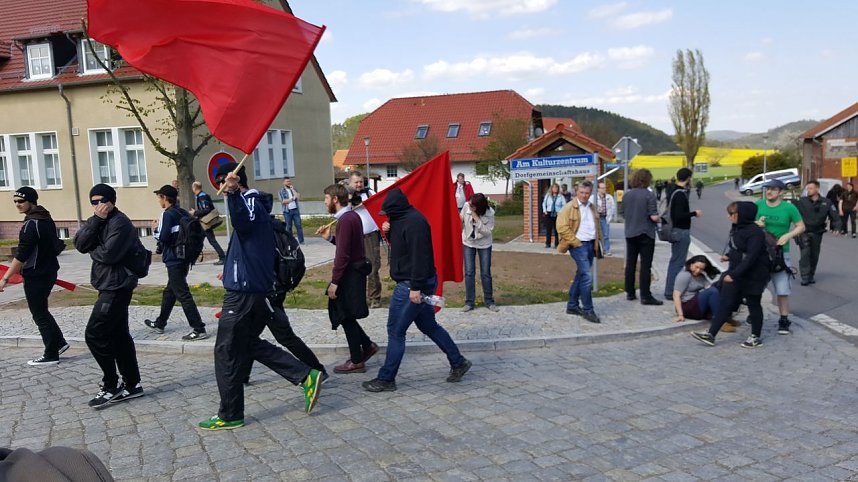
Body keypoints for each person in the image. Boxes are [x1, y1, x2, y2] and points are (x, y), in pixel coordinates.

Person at [199, 163, 321, 430]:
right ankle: (305, 375)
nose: (221, 183)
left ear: (236, 180)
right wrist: (232, 269)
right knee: (246, 343)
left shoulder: (249, 200)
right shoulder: (248, 203)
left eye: (225, 179)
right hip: (248, 287)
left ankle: (230, 414)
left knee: (225, 350)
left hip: (244, 293)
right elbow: (247, 244)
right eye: (219, 180)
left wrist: (233, 194)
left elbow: (243, 224)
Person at [362, 188, 471, 392]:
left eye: (388, 213)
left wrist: (416, 288)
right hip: (416, 282)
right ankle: (458, 362)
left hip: (411, 284)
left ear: (396, 209)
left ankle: (386, 379)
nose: (386, 217)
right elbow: (403, 248)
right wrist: (389, 231)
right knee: (429, 326)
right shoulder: (402, 220)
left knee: (396, 331)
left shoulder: (415, 223)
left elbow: (420, 258)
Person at [73, 184, 143, 408]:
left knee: (94, 334)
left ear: (112, 200)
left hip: (117, 285)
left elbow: (108, 254)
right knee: (119, 335)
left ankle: (111, 385)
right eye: (93, 202)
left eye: (102, 200)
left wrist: (94, 246)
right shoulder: (99, 220)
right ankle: (133, 385)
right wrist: (95, 221)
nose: (98, 205)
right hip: (107, 284)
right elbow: (79, 244)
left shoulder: (120, 222)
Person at [0, 187, 69, 366]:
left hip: (37, 274)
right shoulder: (44, 218)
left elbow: (21, 255)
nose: (17, 204)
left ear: (31, 201)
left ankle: (51, 354)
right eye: (15, 201)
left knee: (39, 314)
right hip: (49, 271)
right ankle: (59, 343)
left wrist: (5, 278)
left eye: (21, 201)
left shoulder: (32, 224)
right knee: (42, 311)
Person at [316, 184, 378, 374]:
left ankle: (357, 360)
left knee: (345, 315)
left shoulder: (345, 220)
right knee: (345, 314)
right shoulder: (351, 217)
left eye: (326, 198)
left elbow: (343, 256)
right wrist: (330, 239)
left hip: (349, 275)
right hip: (353, 272)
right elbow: (348, 246)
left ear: (335, 199)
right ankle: (367, 346)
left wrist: (334, 282)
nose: (325, 202)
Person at [692, 202, 771, 348]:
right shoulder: (737, 228)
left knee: (754, 304)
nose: (729, 217)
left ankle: (755, 337)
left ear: (742, 215)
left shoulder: (756, 233)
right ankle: (711, 334)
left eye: (732, 214)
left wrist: (733, 275)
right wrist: (728, 256)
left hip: (754, 275)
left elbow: (751, 257)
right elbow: (738, 248)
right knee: (725, 303)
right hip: (736, 272)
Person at [143, 185, 207, 341]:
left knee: (182, 293)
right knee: (170, 291)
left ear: (165, 198)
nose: (158, 200)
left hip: (173, 258)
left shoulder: (167, 214)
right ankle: (160, 323)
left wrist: (154, 230)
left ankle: (199, 328)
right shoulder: (183, 212)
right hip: (185, 257)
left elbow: (163, 237)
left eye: (159, 197)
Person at [755, 179, 805, 334]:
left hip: (780, 253)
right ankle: (754, 313)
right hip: (761, 251)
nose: (769, 191)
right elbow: (748, 222)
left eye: (773, 189)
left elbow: (801, 226)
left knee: (782, 289)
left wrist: (788, 235)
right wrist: (757, 223)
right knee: (756, 287)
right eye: (767, 189)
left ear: (781, 192)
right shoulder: (759, 204)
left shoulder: (789, 208)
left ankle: (784, 319)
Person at [556, 181, 603, 323]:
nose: (584, 195)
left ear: (590, 193)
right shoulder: (569, 208)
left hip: (591, 244)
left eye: (587, 193)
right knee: (587, 277)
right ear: (577, 192)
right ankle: (588, 310)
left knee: (581, 275)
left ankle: (572, 305)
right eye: (581, 192)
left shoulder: (592, 207)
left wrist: (598, 242)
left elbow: (597, 226)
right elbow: (562, 227)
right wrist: (576, 242)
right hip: (578, 245)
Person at [622, 169, 663, 305]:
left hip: (630, 232)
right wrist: (661, 219)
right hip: (645, 232)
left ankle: (630, 292)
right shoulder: (649, 195)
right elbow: (653, 216)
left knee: (630, 263)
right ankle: (645, 295)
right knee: (645, 265)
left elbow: (623, 212)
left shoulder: (627, 195)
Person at [663, 168, 701, 300]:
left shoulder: (672, 190)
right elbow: (678, 216)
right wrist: (694, 213)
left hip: (675, 231)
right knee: (678, 263)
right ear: (688, 178)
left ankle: (670, 290)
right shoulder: (679, 194)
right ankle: (672, 292)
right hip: (680, 231)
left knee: (675, 261)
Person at [796, 180, 841, 286]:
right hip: (804, 232)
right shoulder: (802, 201)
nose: (808, 190)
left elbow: (835, 216)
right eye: (807, 188)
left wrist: (837, 227)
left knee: (814, 255)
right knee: (805, 254)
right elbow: (790, 211)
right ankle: (805, 276)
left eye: (811, 188)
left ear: (817, 189)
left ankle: (811, 275)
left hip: (817, 232)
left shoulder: (826, 202)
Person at [349, 171, 382, 308]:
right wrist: (351, 200)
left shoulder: (369, 194)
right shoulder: (345, 196)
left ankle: (374, 298)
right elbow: (339, 214)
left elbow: (380, 206)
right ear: (350, 183)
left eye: (361, 181)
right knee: (354, 268)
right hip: (353, 237)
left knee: (373, 267)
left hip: (370, 236)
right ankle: (358, 298)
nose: (359, 184)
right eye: (356, 182)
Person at [460, 193, 497, 312]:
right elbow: (460, 219)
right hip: (468, 242)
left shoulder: (490, 213)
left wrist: (475, 216)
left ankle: (489, 301)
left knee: (485, 273)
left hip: (484, 244)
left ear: (479, 206)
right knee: (469, 272)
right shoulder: (467, 206)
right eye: (469, 204)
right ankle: (469, 302)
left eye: (472, 206)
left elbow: (487, 232)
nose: (469, 206)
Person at [672, 255, 722, 323]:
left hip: (697, 304)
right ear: (691, 264)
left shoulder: (701, 276)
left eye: (701, 269)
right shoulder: (685, 275)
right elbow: (676, 295)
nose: (698, 270)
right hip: (687, 306)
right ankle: (719, 321)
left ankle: (724, 316)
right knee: (713, 291)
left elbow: (709, 287)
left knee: (721, 285)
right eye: (696, 267)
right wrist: (680, 315)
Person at [191, 181, 226, 265]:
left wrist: (195, 213)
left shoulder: (202, 197)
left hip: (205, 222)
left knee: (209, 240)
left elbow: (206, 209)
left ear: (194, 188)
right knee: (200, 240)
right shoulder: (202, 196)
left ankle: (223, 257)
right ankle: (193, 259)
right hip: (204, 222)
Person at [590, 181, 616, 257]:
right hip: (596, 218)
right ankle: (597, 249)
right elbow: (590, 207)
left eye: (605, 188)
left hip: (605, 218)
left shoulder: (609, 197)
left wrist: (610, 217)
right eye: (602, 188)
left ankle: (606, 250)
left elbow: (612, 207)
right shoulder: (593, 197)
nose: (604, 189)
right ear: (598, 189)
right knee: (595, 234)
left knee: (606, 234)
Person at [279, 177, 305, 244]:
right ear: (284, 182)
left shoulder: (293, 189)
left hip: (295, 210)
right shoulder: (281, 191)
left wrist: (293, 189)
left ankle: (301, 241)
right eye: (287, 181)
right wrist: (292, 199)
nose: (289, 183)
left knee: (298, 226)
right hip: (287, 211)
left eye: (289, 181)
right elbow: (283, 201)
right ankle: (290, 241)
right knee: (289, 227)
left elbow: (298, 197)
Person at [542, 183, 566, 248]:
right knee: (548, 230)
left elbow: (564, 206)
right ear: (551, 189)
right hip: (549, 214)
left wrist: (560, 212)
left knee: (556, 230)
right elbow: (544, 203)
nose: (555, 189)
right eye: (554, 188)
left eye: (556, 188)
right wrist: (545, 211)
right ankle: (548, 243)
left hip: (557, 214)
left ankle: (556, 244)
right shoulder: (547, 196)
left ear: (558, 189)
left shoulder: (561, 196)